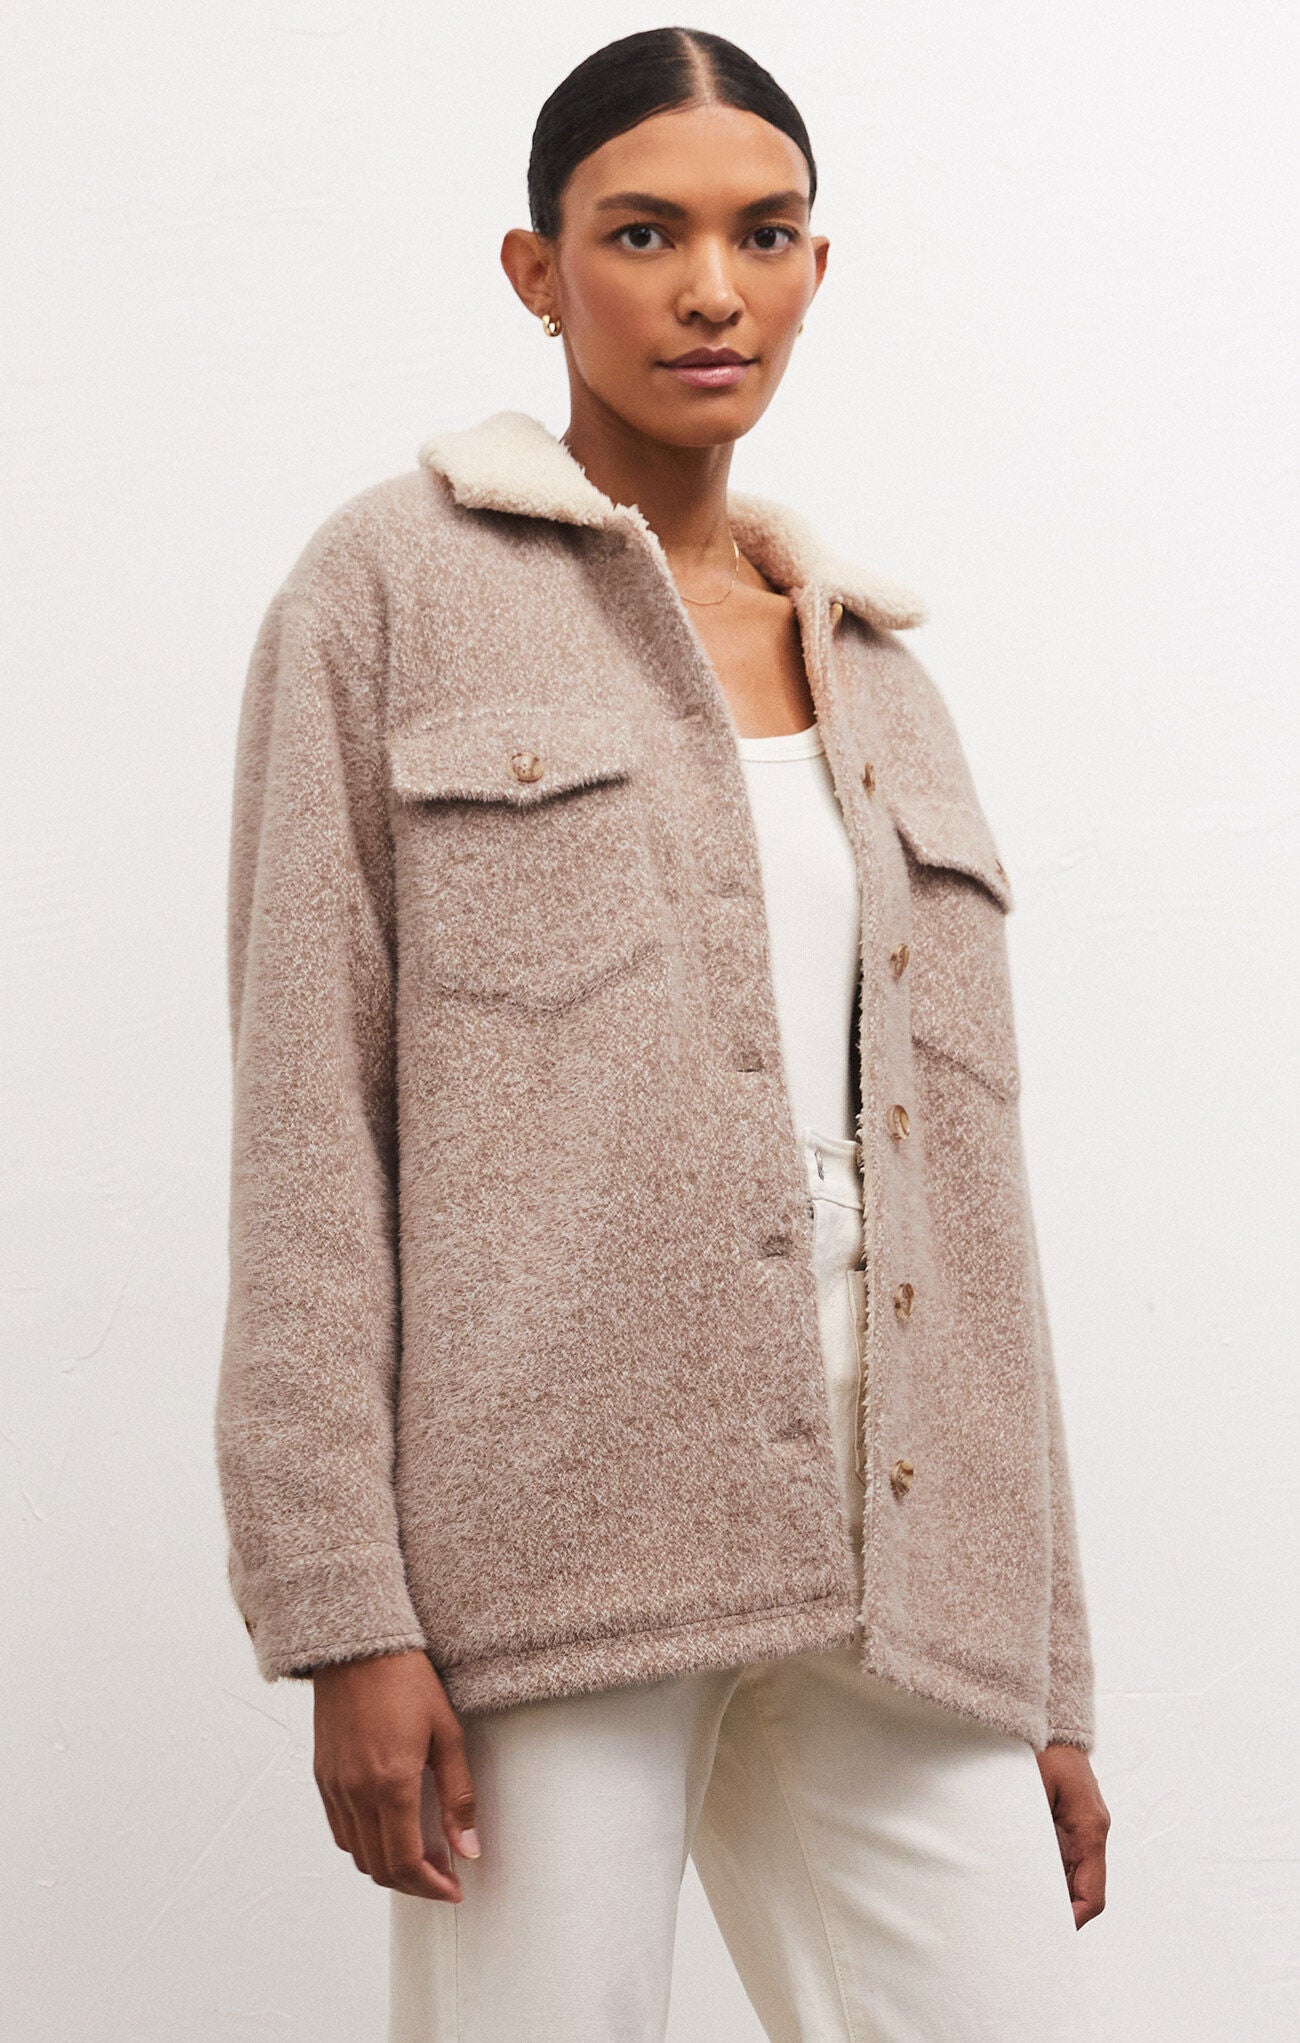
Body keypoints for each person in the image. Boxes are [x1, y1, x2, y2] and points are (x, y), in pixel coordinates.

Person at [214, 25, 1110, 2041]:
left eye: (761, 234)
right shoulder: (390, 591)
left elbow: (977, 1210)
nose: (711, 288)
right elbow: (305, 1127)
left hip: (908, 1564)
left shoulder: (884, 681)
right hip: (552, 1542)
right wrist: (343, 1608)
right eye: (644, 233)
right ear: (537, 270)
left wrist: (1043, 1664)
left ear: (814, 266)